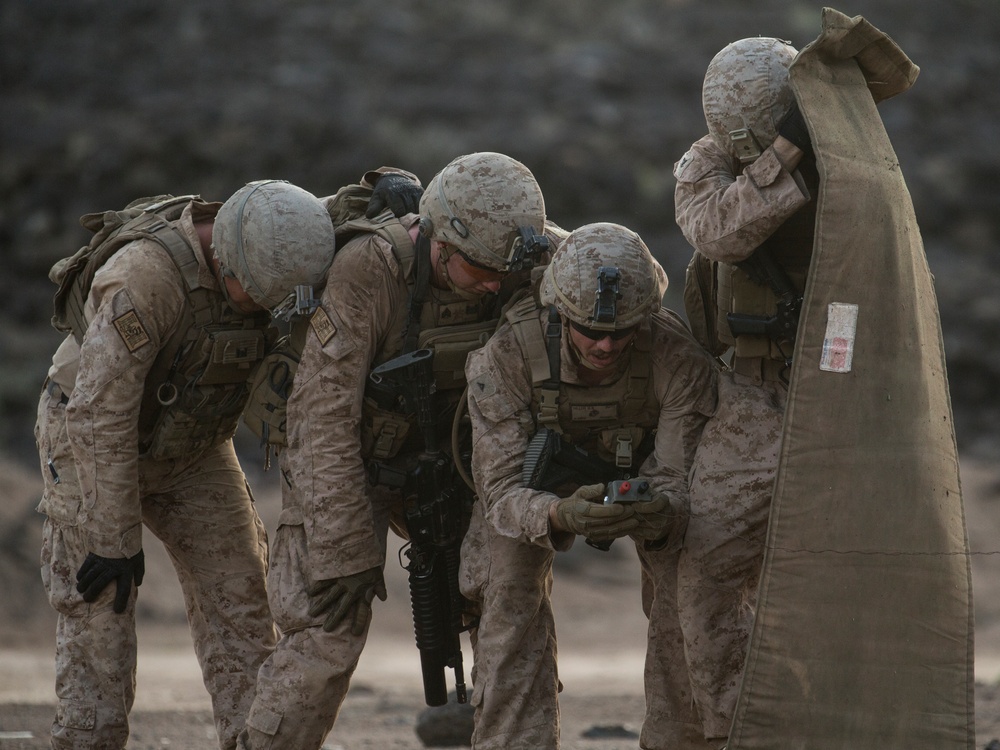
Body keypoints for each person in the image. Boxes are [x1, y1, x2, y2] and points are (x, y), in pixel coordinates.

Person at [236, 151, 561, 750]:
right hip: (350, 461)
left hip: (462, 462)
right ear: (439, 244)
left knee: (511, 610)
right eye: (481, 270)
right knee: (326, 625)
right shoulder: (371, 268)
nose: (495, 284)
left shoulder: (526, 253)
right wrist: (344, 548)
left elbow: (623, 284)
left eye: (502, 271)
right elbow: (321, 415)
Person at [35, 180, 337, 749]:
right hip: (90, 439)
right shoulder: (145, 278)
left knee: (243, 601)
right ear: (223, 259)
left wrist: (388, 189)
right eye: (255, 296)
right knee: (102, 606)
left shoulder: (282, 236)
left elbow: (334, 214)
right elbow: (100, 414)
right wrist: (112, 538)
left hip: (193, 449)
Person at [460, 222, 719, 749]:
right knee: (506, 589)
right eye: (588, 329)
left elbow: (680, 479)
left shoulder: (678, 358)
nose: (605, 344)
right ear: (558, 312)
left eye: (622, 332)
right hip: (535, 496)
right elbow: (500, 491)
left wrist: (660, 511)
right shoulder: (506, 356)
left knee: (692, 587)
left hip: (642, 487)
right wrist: (559, 515)